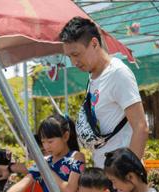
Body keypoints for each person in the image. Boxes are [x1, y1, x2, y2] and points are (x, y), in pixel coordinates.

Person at [60, 17, 148, 168]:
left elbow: (141, 127)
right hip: (103, 173)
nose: (73, 62)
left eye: (76, 54)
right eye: (69, 57)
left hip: (121, 175)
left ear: (94, 43)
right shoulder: (94, 76)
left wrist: (126, 174)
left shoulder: (117, 73)